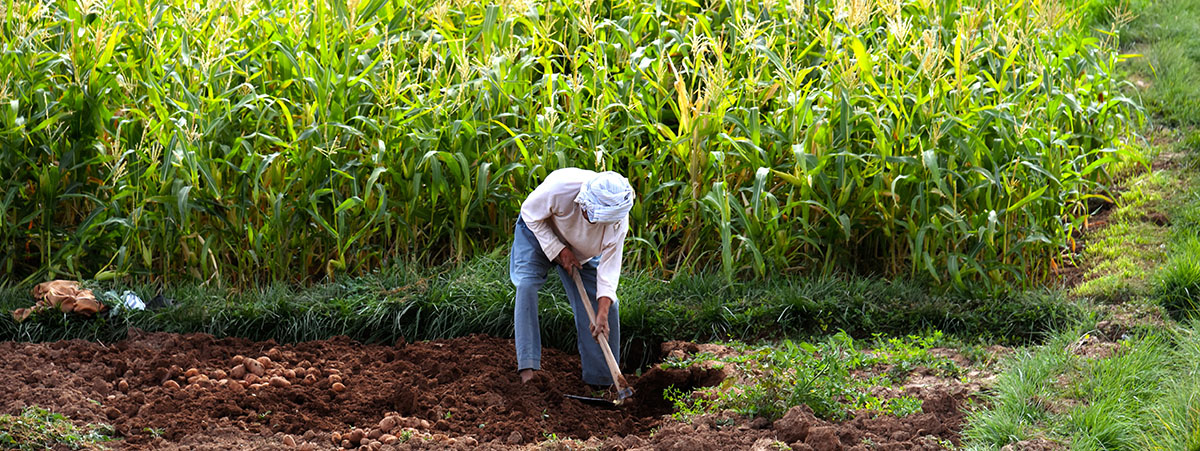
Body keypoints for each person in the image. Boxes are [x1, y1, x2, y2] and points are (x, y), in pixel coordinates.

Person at [509, 168, 634, 387]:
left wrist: (601, 313)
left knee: (607, 308)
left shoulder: (617, 222)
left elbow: (609, 270)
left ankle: (604, 381)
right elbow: (529, 213)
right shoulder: (562, 188)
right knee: (527, 286)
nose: (591, 220)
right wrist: (558, 249)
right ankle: (528, 373)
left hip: (581, 254)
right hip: (538, 232)